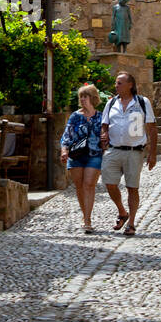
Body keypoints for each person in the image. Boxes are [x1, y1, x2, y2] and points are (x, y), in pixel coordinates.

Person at [100, 72, 157, 236]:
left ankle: (131, 223)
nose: (116, 86)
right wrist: (104, 135)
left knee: (132, 187)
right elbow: (105, 124)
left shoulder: (142, 102)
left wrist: (152, 154)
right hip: (114, 149)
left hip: (135, 151)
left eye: (119, 83)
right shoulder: (111, 104)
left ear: (130, 85)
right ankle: (122, 211)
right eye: (116, 83)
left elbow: (152, 128)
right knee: (109, 183)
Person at [60, 83, 103, 234]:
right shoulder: (75, 116)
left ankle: (87, 220)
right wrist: (64, 151)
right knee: (79, 186)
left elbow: (106, 135)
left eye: (86, 96)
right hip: (76, 155)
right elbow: (67, 135)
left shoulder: (100, 117)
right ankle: (85, 215)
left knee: (89, 185)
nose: (83, 99)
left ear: (93, 98)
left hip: (95, 155)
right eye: (81, 97)